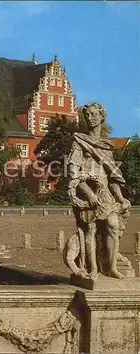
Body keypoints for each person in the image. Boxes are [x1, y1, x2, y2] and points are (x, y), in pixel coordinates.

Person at [67, 102, 130, 279]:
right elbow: (73, 172)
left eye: (94, 114)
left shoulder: (106, 146)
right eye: (86, 114)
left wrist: (119, 197)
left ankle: (111, 268)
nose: (90, 117)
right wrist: (89, 193)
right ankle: (93, 268)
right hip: (86, 190)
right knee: (91, 229)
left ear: (102, 117)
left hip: (105, 192)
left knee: (113, 225)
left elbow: (112, 177)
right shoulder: (79, 141)